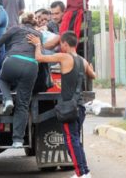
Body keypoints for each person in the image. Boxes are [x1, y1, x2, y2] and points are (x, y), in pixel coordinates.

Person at [27, 31, 95, 178]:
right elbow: (93, 75)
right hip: (80, 107)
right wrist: (90, 66)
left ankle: (81, 174)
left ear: (64, 43)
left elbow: (39, 57)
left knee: (71, 142)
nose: (60, 47)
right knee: (75, 140)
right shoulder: (82, 60)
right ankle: (84, 172)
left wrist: (38, 44)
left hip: (69, 108)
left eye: (60, 44)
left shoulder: (64, 57)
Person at [0, 14, 41, 148]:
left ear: (21, 21)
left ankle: (7, 99)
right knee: (23, 105)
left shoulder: (15, 29)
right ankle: (18, 140)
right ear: (34, 23)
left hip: (13, 60)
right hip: (32, 65)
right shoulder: (38, 35)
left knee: (3, 79)